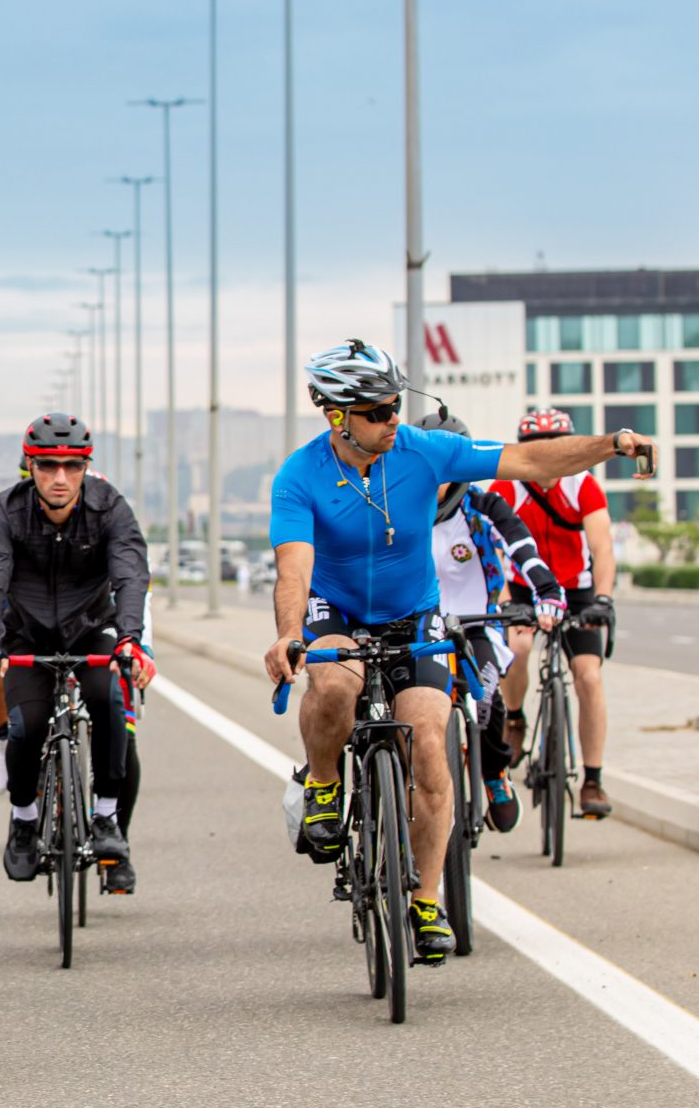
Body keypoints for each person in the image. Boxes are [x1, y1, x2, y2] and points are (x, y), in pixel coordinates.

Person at [267, 342, 655, 967]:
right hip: (334, 610)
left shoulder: (423, 451)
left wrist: (610, 445)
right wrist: (289, 634)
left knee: (429, 743)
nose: (394, 420)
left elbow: (530, 459)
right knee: (334, 681)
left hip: (414, 613)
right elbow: (294, 569)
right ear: (338, 416)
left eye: (396, 406)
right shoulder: (299, 475)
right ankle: (324, 781)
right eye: (378, 411)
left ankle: (426, 900)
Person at [0, 414, 149, 892]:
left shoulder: (110, 507)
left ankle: (107, 817)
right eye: (48, 466)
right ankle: (24, 819)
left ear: (87, 466)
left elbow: (131, 574)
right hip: (26, 635)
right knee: (26, 725)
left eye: (73, 466)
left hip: (92, 628)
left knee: (108, 699)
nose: (61, 478)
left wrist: (130, 639)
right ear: (30, 466)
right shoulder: (6, 510)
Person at [415, 411, 563, 834]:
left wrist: (546, 590)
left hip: (476, 623)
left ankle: (494, 772)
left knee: (484, 696)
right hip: (417, 625)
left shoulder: (484, 505)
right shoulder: (399, 506)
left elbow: (521, 545)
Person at [482, 408, 622, 819]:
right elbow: (492, 550)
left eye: (556, 444)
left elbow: (602, 549)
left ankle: (592, 778)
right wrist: (507, 599)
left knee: (589, 676)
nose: (547, 452)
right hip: (523, 586)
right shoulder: (507, 487)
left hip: (576, 589)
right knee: (518, 649)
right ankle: (516, 718)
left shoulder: (583, 485)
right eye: (536, 446)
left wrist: (603, 598)